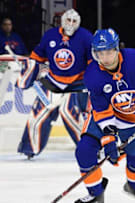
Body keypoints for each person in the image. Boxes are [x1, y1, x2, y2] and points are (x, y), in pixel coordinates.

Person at [75, 28, 135, 203]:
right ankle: (95, 192)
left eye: (108, 52)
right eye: (100, 53)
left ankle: (134, 187)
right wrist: (109, 135)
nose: (104, 58)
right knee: (84, 151)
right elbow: (101, 110)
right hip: (103, 119)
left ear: (116, 49)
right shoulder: (92, 74)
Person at [16, 9, 93, 159]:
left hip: (76, 84)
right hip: (53, 82)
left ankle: (89, 148)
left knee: (71, 115)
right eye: (68, 20)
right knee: (38, 114)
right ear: (62, 21)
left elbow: (93, 64)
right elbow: (36, 57)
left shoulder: (85, 37)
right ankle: (29, 149)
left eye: (74, 21)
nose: (71, 24)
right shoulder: (50, 35)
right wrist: (28, 73)